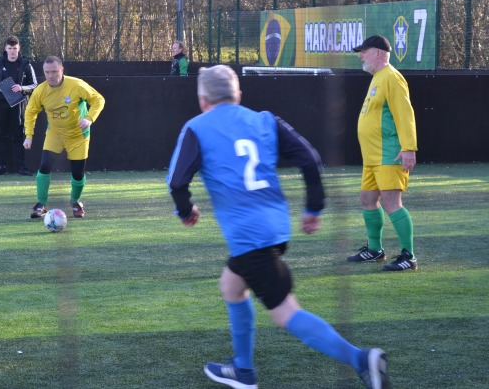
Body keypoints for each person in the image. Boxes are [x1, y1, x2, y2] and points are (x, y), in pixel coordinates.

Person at [166, 65, 389, 389]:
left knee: (285, 313)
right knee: (231, 285)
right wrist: (313, 207)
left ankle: (361, 359)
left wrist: (186, 211)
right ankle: (242, 369)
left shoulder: (196, 127)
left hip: (249, 236)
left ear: (203, 100)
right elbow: (310, 158)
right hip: (273, 228)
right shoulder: (265, 120)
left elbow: (176, 181)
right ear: (238, 95)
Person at [347, 35, 418, 271]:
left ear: (378, 52)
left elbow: (404, 114)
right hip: (372, 156)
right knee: (367, 200)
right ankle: (375, 250)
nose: (360, 55)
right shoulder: (378, 78)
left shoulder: (392, 77)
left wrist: (408, 148)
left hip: (389, 154)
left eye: (363, 51)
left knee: (391, 202)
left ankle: (409, 256)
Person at [23, 55, 105, 219]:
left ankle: (75, 202)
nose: (51, 76)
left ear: (62, 70)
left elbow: (98, 99)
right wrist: (29, 135)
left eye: (54, 72)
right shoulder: (41, 90)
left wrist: (89, 118)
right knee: (45, 166)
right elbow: (30, 112)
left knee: (77, 173)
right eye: (47, 72)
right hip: (55, 134)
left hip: (78, 136)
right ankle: (41, 204)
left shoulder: (76, 85)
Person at [0, 35, 38, 175]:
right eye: (10, 48)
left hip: (18, 106)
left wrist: (22, 88)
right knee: (0, 136)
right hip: (0, 105)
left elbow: (35, 86)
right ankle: (1, 167)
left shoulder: (26, 65)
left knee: (18, 136)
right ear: (5, 49)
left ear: (19, 49)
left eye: (15, 48)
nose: (12, 51)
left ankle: (21, 167)